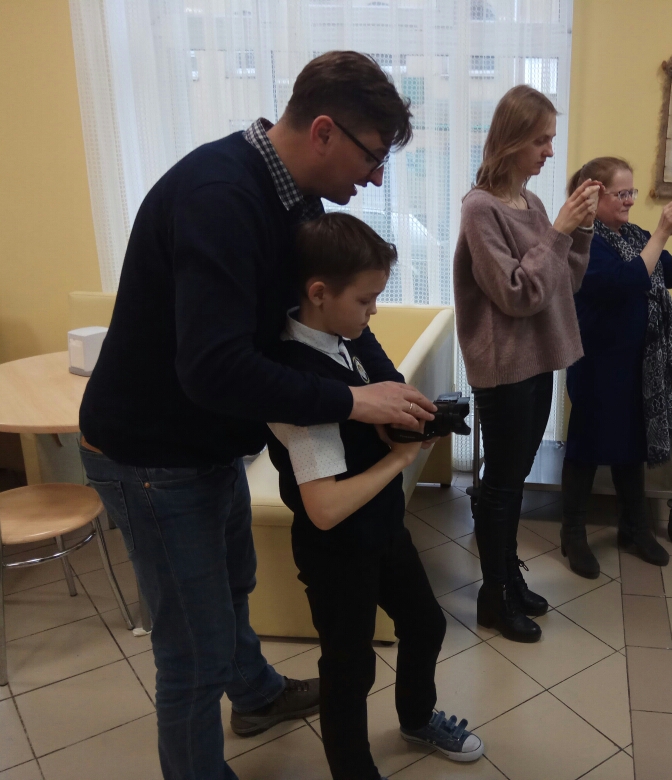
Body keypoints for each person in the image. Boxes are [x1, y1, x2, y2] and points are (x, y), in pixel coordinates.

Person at [77, 52, 437, 780]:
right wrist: (351, 400)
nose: (375, 178)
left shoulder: (297, 200)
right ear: (325, 131)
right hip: (151, 453)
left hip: (210, 439)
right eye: (372, 157)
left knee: (233, 584)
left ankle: (258, 695)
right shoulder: (219, 197)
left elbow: (329, 321)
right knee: (193, 647)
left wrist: (390, 388)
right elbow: (212, 367)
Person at [264, 213, 483, 780]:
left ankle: (417, 719)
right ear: (319, 293)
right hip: (337, 551)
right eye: (366, 300)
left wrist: (407, 420)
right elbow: (324, 508)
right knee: (350, 668)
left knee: (426, 625)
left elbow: (381, 389)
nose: (374, 312)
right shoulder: (298, 383)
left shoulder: (344, 336)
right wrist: (401, 458)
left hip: (380, 528)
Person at [453, 85, 601, 643]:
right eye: (540, 140)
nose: (549, 152)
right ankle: (493, 595)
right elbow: (517, 293)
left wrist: (581, 229)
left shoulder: (533, 204)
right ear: (511, 140)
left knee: (511, 481)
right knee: (501, 484)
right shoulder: (480, 208)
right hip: (504, 367)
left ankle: (508, 580)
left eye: (551, 140)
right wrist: (560, 231)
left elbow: (564, 282)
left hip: (537, 359)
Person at [560, 157, 672, 578]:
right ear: (595, 194)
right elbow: (627, 280)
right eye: (621, 193)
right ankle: (573, 534)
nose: (629, 200)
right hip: (598, 360)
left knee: (633, 444)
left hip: (639, 362)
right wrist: (662, 231)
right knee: (586, 446)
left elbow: (671, 274)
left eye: (631, 192)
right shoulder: (582, 242)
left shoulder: (634, 235)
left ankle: (634, 527)